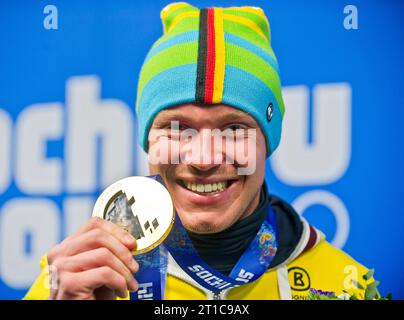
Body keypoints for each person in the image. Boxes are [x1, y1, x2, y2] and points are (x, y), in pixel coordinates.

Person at [24, 2, 371, 300]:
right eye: (177, 128)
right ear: (149, 140)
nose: (203, 159)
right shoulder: (72, 279)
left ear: (269, 140)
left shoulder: (348, 285)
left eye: (234, 129)